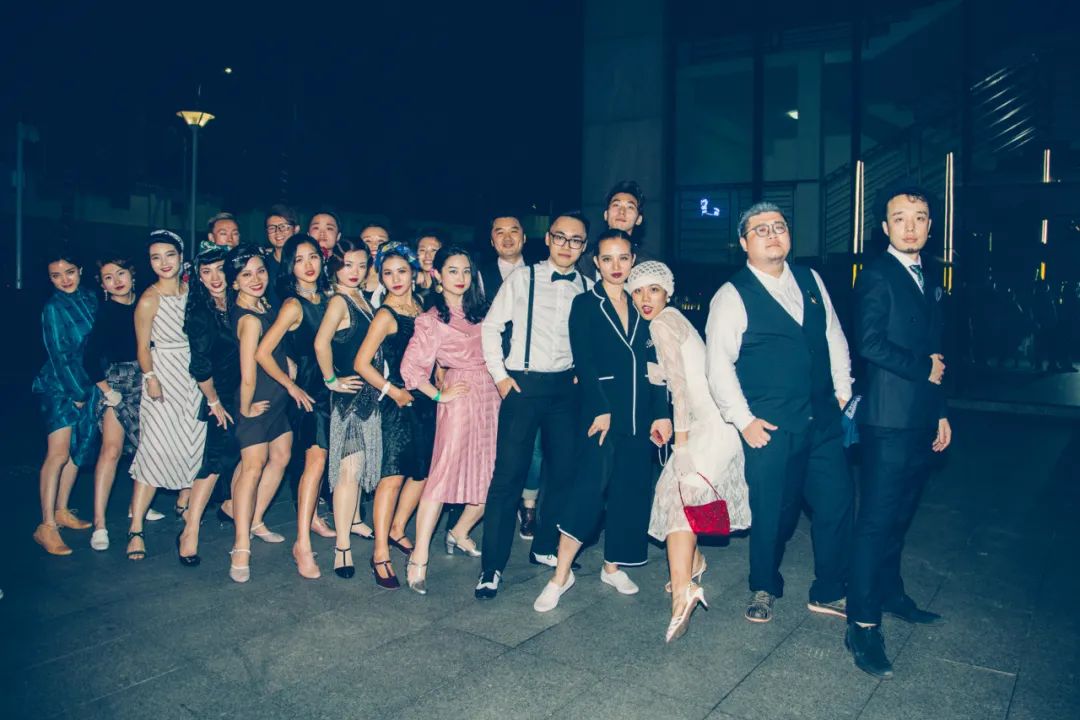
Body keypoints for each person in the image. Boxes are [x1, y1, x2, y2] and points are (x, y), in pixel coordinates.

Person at [705, 202, 854, 625]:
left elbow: (833, 335)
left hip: (822, 419)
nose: (772, 234)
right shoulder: (732, 295)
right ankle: (764, 586)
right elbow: (718, 365)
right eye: (761, 230)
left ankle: (830, 589)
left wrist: (842, 391)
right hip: (770, 427)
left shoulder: (811, 279)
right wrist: (744, 420)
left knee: (837, 503)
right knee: (773, 511)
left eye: (779, 226)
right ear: (743, 243)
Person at [533, 230, 671, 612]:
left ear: (633, 260)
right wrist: (600, 407)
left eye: (623, 258)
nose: (616, 266)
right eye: (607, 259)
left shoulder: (643, 304)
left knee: (631, 491)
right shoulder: (585, 304)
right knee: (588, 490)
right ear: (595, 262)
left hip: (640, 416)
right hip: (601, 415)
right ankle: (561, 574)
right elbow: (584, 361)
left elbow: (657, 366)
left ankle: (613, 566)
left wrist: (661, 413)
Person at [847, 183, 952, 678]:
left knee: (900, 517)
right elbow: (868, 344)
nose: (911, 227)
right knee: (875, 521)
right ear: (884, 227)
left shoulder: (927, 275)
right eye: (900, 218)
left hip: (920, 417)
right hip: (888, 420)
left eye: (920, 218)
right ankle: (862, 623)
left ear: (930, 226)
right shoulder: (877, 275)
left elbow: (937, 353)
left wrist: (941, 411)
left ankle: (890, 594)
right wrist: (921, 369)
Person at [627, 261, 751, 641]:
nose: (645, 299)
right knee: (680, 498)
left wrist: (680, 446)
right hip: (714, 424)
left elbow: (680, 390)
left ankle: (683, 595)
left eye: (653, 290)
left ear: (667, 292)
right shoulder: (675, 318)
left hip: (708, 427)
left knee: (677, 500)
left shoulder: (661, 324)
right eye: (637, 291)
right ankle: (693, 564)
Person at [476, 211, 593, 599]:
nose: (566, 245)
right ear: (548, 239)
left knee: (564, 473)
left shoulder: (588, 287)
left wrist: (582, 373)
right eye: (560, 237)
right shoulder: (522, 278)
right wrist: (500, 377)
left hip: (565, 390)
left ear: (584, 246)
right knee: (508, 476)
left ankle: (543, 545)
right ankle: (491, 567)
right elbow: (491, 327)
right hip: (522, 386)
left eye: (575, 240)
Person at [400, 246, 500, 594]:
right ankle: (419, 555)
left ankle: (459, 531)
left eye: (466, 271)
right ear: (438, 275)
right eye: (452, 271)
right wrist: (439, 395)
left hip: (491, 395)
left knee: (492, 473)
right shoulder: (431, 320)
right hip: (459, 397)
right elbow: (411, 369)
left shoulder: (483, 312)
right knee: (443, 475)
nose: (460, 278)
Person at [354, 242, 433, 588]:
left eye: (402, 271)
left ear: (413, 273)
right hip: (398, 402)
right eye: (388, 273)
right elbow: (361, 363)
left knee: (422, 473)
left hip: (426, 400)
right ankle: (380, 552)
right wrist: (393, 391)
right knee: (393, 476)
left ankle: (398, 527)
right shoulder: (386, 315)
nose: (396, 278)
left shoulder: (422, 307)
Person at [126, 231, 208, 561]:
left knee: (192, 442)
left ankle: (184, 502)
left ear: (181, 257)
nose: (164, 263)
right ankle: (135, 529)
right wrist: (151, 379)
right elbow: (142, 347)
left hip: (193, 375)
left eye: (169, 255)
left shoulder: (193, 291)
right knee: (154, 450)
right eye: (156, 257)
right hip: (163, 374)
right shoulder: (149, 298)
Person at [255, 235, 336, 563]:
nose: (308, 265)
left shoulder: (328, 297)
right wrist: (290, 386)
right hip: (310, 392)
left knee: (320, 461)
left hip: (332, 389)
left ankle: (313, 517)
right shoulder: (293, 305)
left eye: (313, 256)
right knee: (315, 461)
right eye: (300, 259)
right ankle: (301, 543)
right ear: (290, 266)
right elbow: (263, 352)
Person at [313, 239, 382, 580]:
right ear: (335, 267)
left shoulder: (359, 297)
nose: (354, 271)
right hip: (350, 399)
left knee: (359, 465)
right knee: (349, 471)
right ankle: (342, 547)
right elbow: (320, 342)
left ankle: (353, 520)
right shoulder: (340, 301)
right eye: (347, 264)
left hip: (368, 396)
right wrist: (331, 380)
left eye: (361, 264)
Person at [229, 247, 293, 582]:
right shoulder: (250, 319)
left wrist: (288, 364)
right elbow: (248, 372)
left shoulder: (263, 305)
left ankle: (254, 520)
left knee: (280, 457)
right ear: (234, 282)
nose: (256, 279)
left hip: (276, 398)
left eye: (260, 271)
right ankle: (241, 546)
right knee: (252, 468)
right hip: (257, 399)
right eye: (246, 274)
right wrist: (244, 409)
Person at [474, 213, 538, 539]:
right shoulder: (479, 275)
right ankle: (483, 502)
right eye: (500, 232)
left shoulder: (539, 273)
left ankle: (528, 505)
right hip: (490, 367)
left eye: (514, 231)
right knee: (492, 439)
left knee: (533, 443)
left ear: (524, 238)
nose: (508, 237)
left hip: (531, 370)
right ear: (492, 240)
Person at [32, 249, 98, 556]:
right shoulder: (53, 307)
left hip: (87, 383)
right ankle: (46, 526)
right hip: (59, 386)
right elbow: (59, 354)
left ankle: (61, 510)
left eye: (69, 272)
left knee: (77, 451)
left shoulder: (91, 298)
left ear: (80, 270)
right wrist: (78, 393)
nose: (64, 280)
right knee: (58, 454)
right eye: (55, 276)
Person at [180, 244, 242, 566]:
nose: (215, 277)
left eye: (220, 269)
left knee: (243, 455)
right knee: (215, 459)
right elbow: (200, 367)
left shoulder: (239, 301)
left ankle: (231, 506)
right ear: (198, 278)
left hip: (248, 391)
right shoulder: (201, 314)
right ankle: (189, 530)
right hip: (222, 396)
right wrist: (214, 401)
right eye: (207, 272)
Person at [82, 255, 142, 551]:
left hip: (147, 379)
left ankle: (137, 506)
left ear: (132, 274)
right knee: (111, 450)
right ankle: (100, 524)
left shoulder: (145, 303)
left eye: (121, 273)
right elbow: (89, 358)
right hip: (117, 382)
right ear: (103, 285)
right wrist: (108, 392)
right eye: (108, 277)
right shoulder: (107, 312)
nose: (117, 281)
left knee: (146, 448)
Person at [264, 204, 301, 305]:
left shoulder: (304, 263)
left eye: (283, 227)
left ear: (296, 229)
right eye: (272, 228)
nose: (277, 232)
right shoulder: (263, 265)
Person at [359, 224, 390, 303]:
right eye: (368, 241)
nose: (374, 245)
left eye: (381, 241)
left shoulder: (398, 277)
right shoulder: (349, 275)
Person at [414, 231, 443, 300]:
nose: (427, 255)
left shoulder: (449, 286)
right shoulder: (410, 286)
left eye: (433, 250)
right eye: (422, 250)